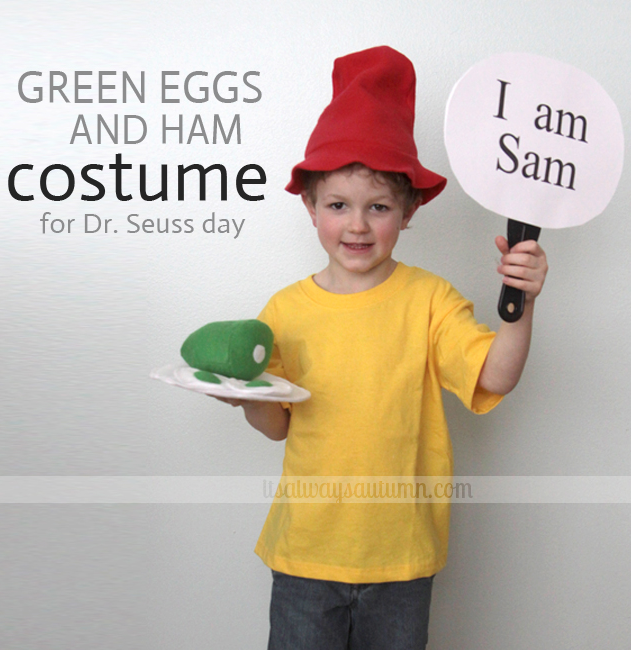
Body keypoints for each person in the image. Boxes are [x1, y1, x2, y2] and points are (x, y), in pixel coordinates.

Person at [217, 46, 548, 650]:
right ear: (310, 206)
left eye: (379, 207)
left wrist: (520, 305)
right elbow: (276, 426)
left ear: (409, 209)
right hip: (305, 557)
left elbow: (496, 375)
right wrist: (241, 394)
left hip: (401, 561)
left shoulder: (429, 300)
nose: (358, 226)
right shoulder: (285, 311)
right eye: (338, 205)